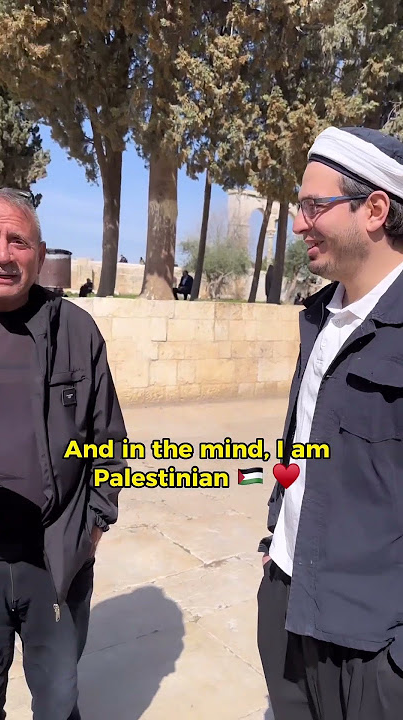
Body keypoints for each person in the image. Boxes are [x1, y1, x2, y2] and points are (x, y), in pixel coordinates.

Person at [257, 127, 403, 720]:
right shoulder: (319, 319)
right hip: (288, 599)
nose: (298, 224)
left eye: (315, 206)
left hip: (372, 646)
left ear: (374, 210)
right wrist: (275, 540)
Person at [0, 188, 126, 719]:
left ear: (40, 252)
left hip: (55, 561)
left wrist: (93, 526)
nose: (3, 254)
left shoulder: (75, 331)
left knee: (57, 699)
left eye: (17, 240)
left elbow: (109, 442)